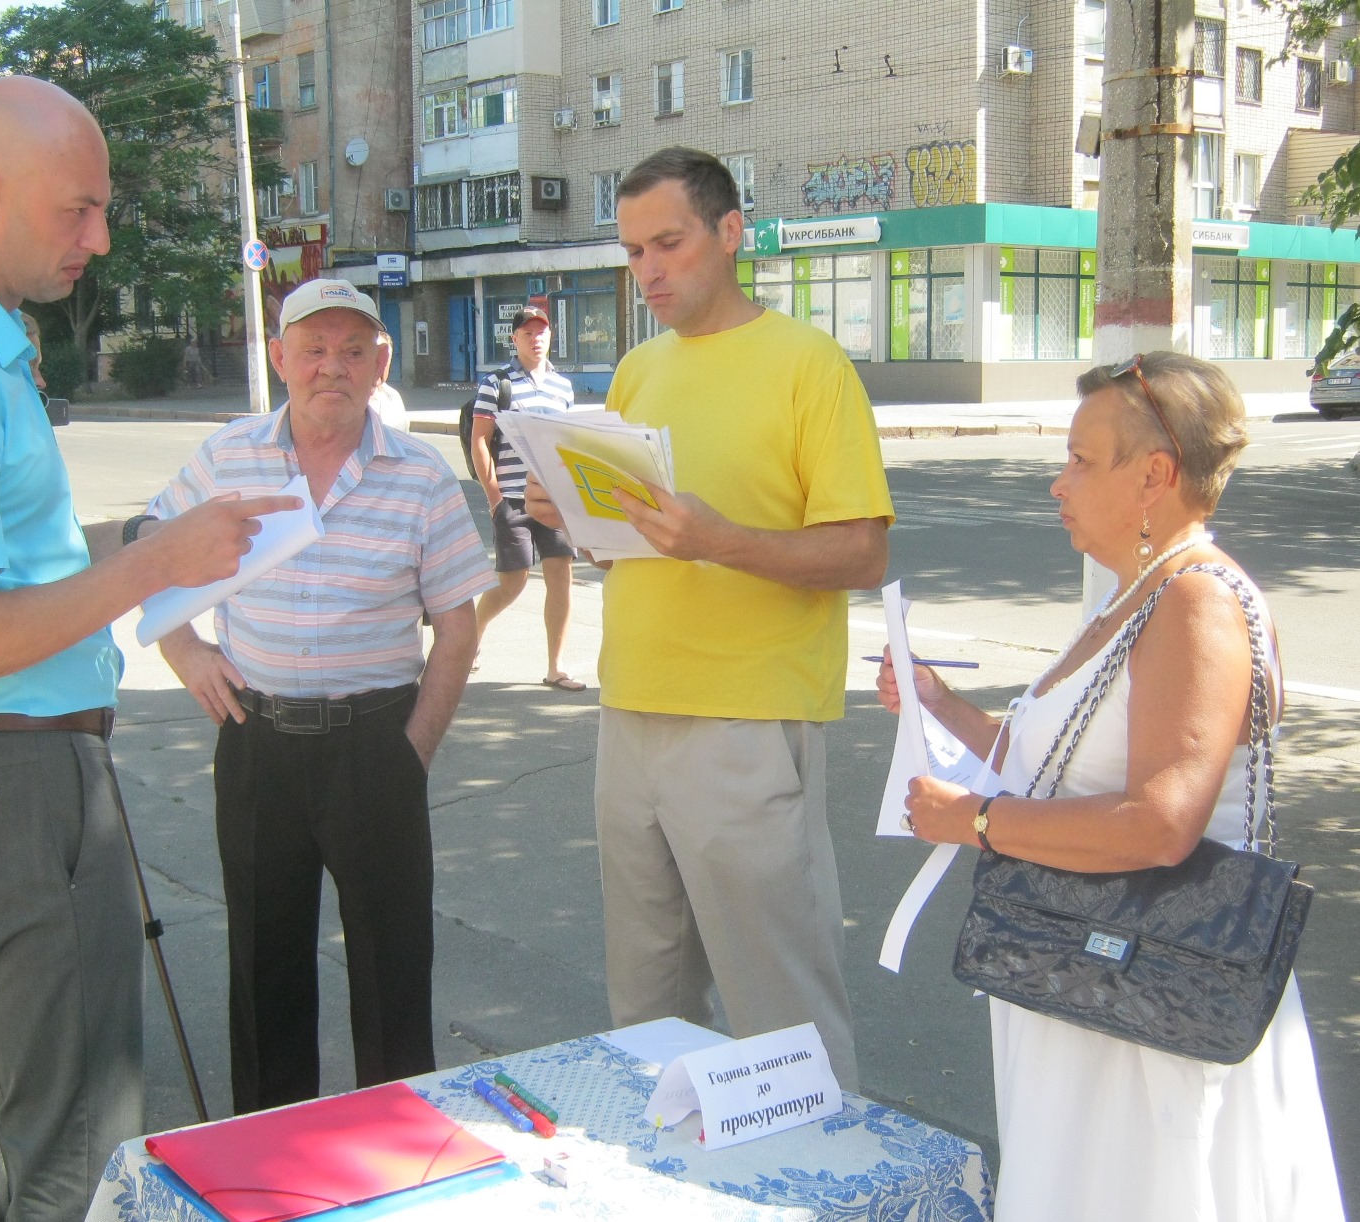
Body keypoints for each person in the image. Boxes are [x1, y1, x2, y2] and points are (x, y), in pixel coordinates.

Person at [0, 76, 296, 1220]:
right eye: (79, 209)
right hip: (11, 779)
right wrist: (152, 566)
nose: (103, 236)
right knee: (75, 1134)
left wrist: (143, 537)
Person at [877, 352, 1343, 1220]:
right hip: (1097, 981)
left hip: (1151, 1007)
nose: (1058, 484)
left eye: (1082, 460)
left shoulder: (1195, 600)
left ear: (1154, 476)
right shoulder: (1138, 593)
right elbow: (1056, 765)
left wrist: (975, 820)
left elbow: (1158, 823)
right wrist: (943, 705)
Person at [527, 148, 892, 1085]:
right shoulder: (638, 370)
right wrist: (571, 519)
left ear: (730, 234)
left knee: (781, 1007)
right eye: (633, 251)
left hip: (748, 720)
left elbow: (861, 552)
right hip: (631, 709)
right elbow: (630, 546)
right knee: (646, 1004)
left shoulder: (809, 365)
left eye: (669, 243)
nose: (648, 270)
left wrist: (723, 539)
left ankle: (823, 1185)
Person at [149, 278, 494, 1115]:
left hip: (375, 742)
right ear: (278, 358)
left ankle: (392, 1161)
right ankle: (269, 1162)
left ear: (380, 365)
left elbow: (457, 626)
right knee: (264, 968)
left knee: (392, 969)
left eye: (351, 351)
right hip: (256, 740)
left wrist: (411, 750)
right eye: (312, 349)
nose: (330, 367)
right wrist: (186, 650)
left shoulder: (419, 476)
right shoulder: (228, 456)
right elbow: (154, 558)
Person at [471, 304, 586, 691]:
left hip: (553, 500)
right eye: (527, 333)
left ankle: (556, 667)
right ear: (514, 339)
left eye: (541, 332)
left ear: (550, 336)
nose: (536, 339)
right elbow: (480, 442)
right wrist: (494, 497)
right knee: (512, 583)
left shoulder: (562, 387)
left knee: (560, 577)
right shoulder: (496, 384)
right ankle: (473, 631)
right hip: (513, 499)